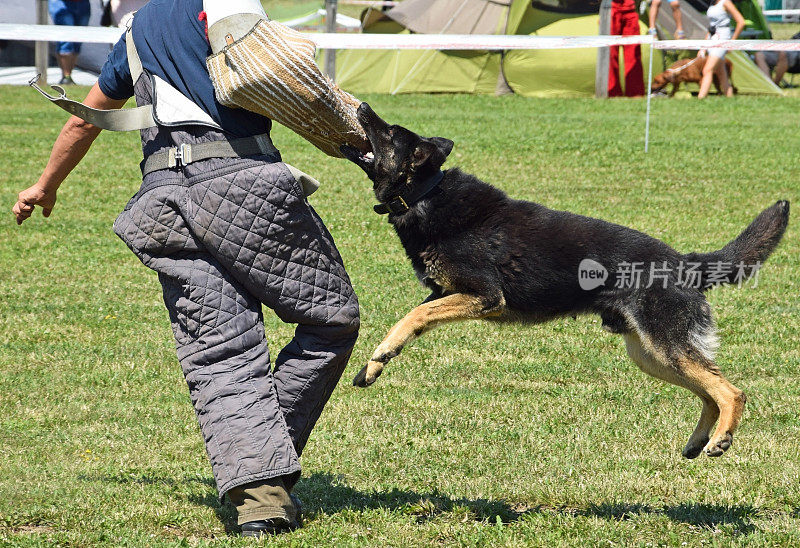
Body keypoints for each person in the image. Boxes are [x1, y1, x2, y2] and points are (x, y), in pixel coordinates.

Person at [14, 0, 360, 537]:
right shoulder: (224, 6)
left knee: (220, 351)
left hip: (163, 204)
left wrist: (45, 185)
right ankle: (259, 460)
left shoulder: (134, 30)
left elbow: (86, 120)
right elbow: (288, 77)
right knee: (330, 320)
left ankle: (258, 496)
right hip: (243, 187)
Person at [698, 0, 745, 99]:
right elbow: (711, 27)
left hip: (723, 38)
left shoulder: (726, 2)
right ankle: (730, 97)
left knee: (707, 70)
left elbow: (741, 22)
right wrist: (703, 47)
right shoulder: (713, 3)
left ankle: (700, 99)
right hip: (712, 37)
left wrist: (731, 42)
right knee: (721, 72)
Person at [48, 0, 91, 85]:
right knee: (66, 41)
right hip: (61, 4)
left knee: (77, 42)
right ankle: (66, 77)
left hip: (83, 4)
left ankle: (68, 77)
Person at [609, 0, 645, 97]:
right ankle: (612, 92)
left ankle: (635, 93)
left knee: (633, 55)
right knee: (610, 55)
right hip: (610, 10)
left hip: (630, 10)